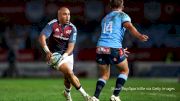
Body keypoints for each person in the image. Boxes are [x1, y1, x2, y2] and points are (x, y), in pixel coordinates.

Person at [90, 0, 149, 101]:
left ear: (110, 6)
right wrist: (139, 36)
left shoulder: (105, 18)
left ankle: (95, 97)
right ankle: (115, 96)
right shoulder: (123, 15)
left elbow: (109, 35)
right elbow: (129, 27)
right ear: (122, 5)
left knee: (104, 75)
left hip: (100, 47)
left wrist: (119, 49)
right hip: (114, 47)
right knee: (125, 70)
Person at [39, 7, 90, 101]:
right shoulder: (52, 24)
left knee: (68, 78)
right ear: (59, 15)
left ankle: (67, 94)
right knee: (70, 73)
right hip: (55, 56)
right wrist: (47, 51)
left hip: (68, 55)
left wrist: (65, 56)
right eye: (65, 14)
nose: (68, 17)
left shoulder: (72, 28)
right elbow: (42, 37)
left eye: (69, 14)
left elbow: (71, 47)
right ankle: (87, 97)